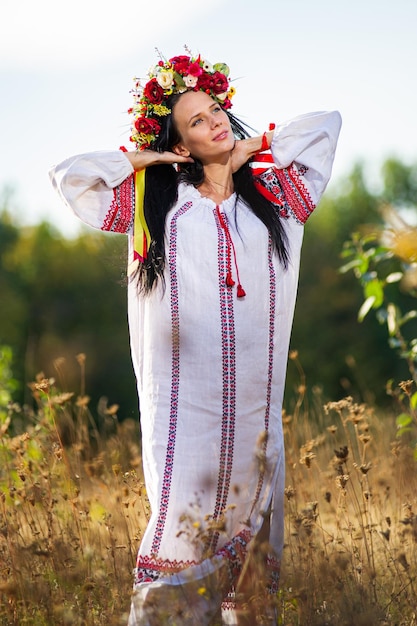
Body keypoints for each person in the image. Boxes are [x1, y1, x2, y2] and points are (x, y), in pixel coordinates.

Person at [50, 50, 341, 625]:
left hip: (257, 424)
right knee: (174, 580)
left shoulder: (275, 201)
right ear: (181, 143)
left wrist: (251, 149)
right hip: (187, 424)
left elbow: (324, 127)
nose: (215, 122)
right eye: (196, 121)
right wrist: (155, 157)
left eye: (216, 111)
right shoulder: (156, 207)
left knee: (253, 598)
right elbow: (71, 176)